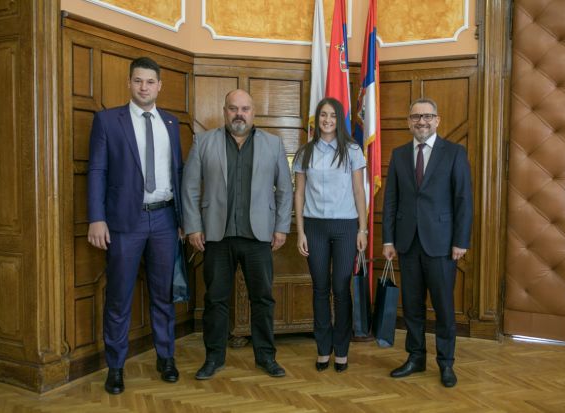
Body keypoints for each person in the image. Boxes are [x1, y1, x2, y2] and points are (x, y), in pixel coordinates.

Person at [87, 57, 183, 394]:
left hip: (165, 219)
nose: (144, 87)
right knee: (118, 297)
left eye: (150, 81)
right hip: (124, 221)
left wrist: (183, 220)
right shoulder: (107, 120)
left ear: (159, 86)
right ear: (129, 83)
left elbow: (178, 172)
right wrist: (96, 218)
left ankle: (166, 357)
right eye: (138, 80)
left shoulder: (171, 123)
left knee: (164, 295)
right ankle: (115, 367)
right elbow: (97, 170)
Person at [182, 89, 293, 380]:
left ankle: (266, 357)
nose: (239, 114)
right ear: (225, 111)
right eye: (233, 108)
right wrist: (193, 226)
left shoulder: (273, 144)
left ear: (253, 112)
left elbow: (285, 189)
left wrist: (281, 227)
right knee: (216, 300)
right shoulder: (204, 142)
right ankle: (213, 358)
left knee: (263, 299)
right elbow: (190, 187)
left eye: (245, 109)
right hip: (216, 236)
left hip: (259, 236)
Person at [382, 97, 472, 388]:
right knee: (411, 306)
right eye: (416, 117)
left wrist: (460, 241)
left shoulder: (454, 153)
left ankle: (446, 363)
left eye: (427, 116)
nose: (421, 121)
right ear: (409, 122)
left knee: (444, 308)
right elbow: (391, 200)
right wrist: (388, 240)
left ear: (437, 120)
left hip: (442, 245)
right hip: (407, 244)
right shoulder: (399, 155)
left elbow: (463, 199)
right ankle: (415, 357)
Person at [293, 97, 367, 373]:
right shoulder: (305, 152)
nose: (327, 120)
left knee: (341, 289)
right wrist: (300, 231)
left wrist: (362, 229)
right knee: (320, 289)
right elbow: (299, 194)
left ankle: (342, 350)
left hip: (346, 227)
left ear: (339, 120)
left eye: (333, 115)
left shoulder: (352, 150)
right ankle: (323, 349)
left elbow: (359, 191)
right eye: (323, 115)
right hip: (314, 228)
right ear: (317, 118)